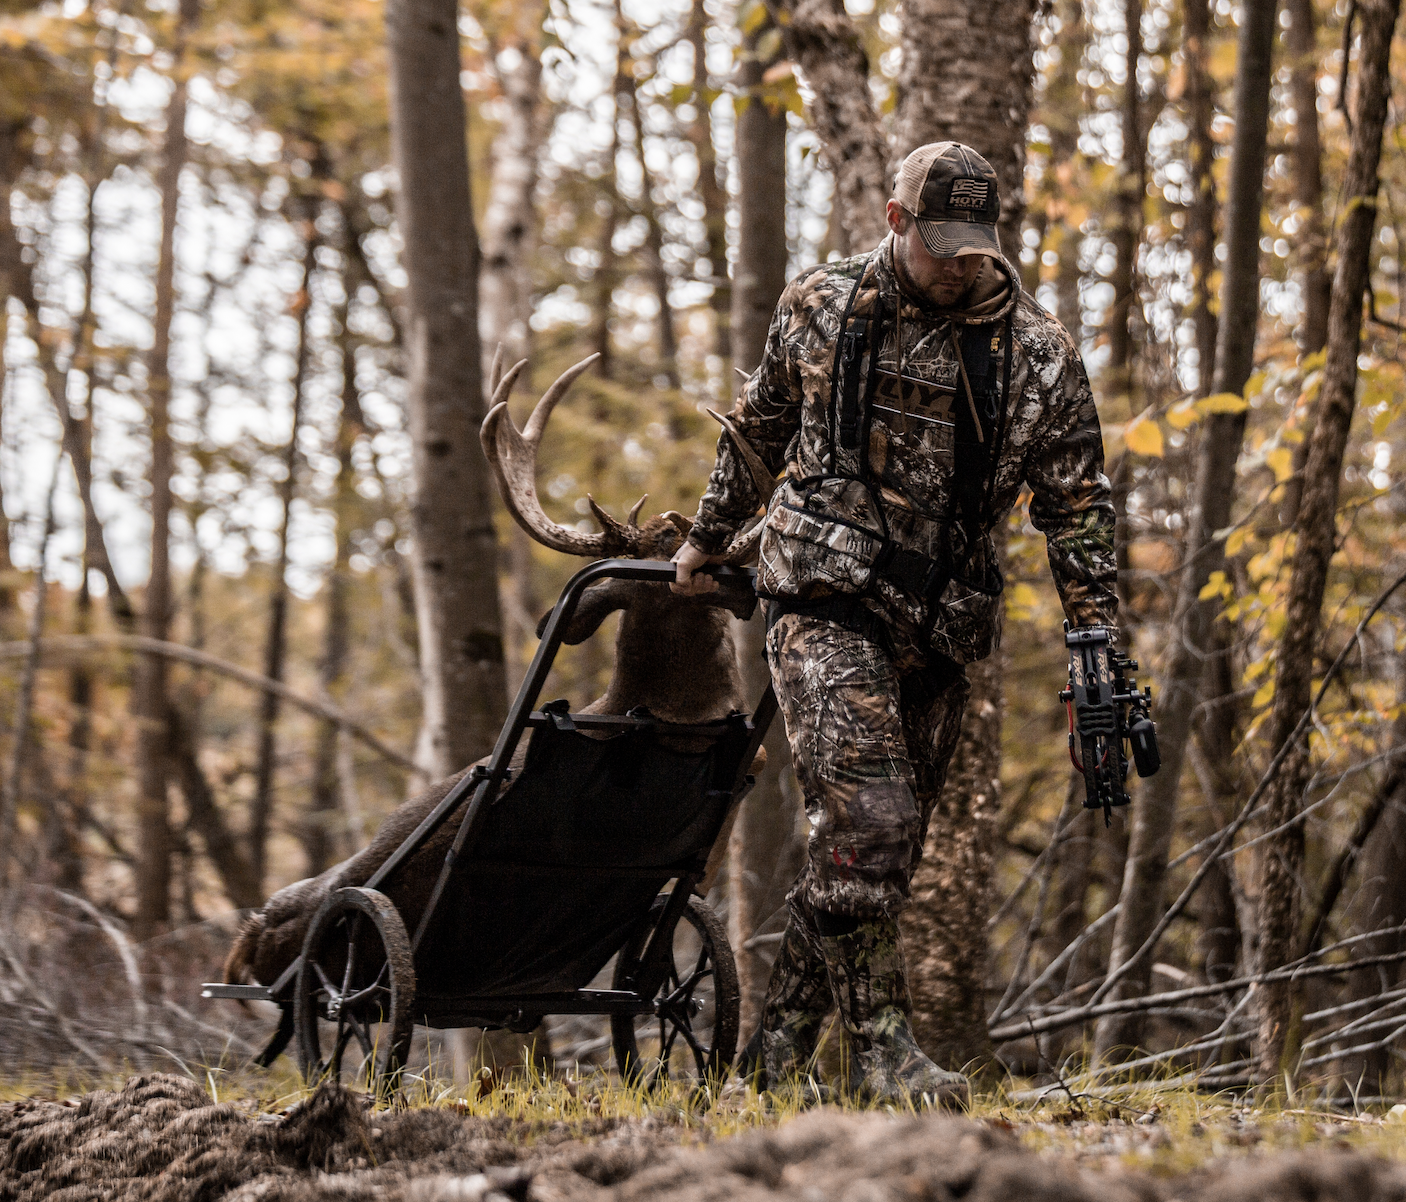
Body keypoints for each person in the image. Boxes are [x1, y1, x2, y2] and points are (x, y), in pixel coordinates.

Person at [672, 142, 1118, 1106]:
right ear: (894, 220)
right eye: (941, 244)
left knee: (872, 849)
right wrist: (707, 540)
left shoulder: (1039, 355)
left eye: (976, 248)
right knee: (873, 819)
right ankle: (883, 1055)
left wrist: (1097, 651)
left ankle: (772, 1064)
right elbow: (760, 426)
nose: (959, 266)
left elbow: (1077, 507)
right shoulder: (818, 304)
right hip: (821, 599)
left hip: (940, 625)